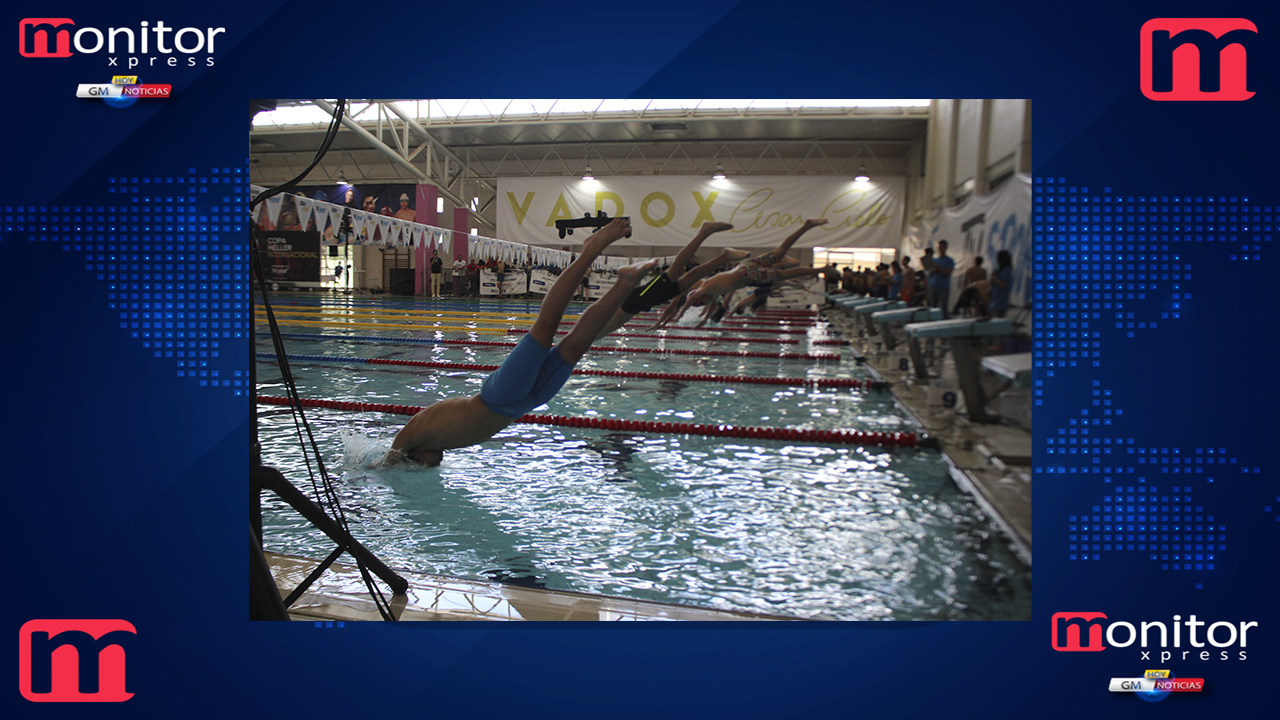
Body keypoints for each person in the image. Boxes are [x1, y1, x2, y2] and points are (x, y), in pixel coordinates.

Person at [387, 219, 656, 467]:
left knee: (546, 325)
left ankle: (590, 250)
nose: (428, 466)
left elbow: (388, 458)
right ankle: (624, 283)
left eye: (418, 465)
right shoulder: (442, 441)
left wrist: (382, 469)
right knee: (577, 344)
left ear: (412, 455)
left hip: (498, 397)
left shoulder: (414, 433)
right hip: (525, 403)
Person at [593, 221, 747, 338]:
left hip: (634, 301)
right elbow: (672, 308)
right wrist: (660, 323)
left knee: (674, 271)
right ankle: (724, 256)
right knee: (688, 279)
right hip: (640, 304)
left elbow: (672, 309)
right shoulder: (582, 338)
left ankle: (705, 232)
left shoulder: (581, 338)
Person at [927, 240, 955, 318]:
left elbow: (948, 272)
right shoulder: (935, 260)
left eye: (943, 247)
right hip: (934, 286)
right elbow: (930, 273)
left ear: (946, 248)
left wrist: (938, 268)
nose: (941, 249)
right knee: (933, 307)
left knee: (943, 308)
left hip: (944, 287)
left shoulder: (949, 260)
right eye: (940, 247)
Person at [989, 249, 1013, 318]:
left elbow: (1004, 285)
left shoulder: (1006, 270)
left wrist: (994, 278)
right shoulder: (999, 270)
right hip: (994, 301)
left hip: (1000, 303)